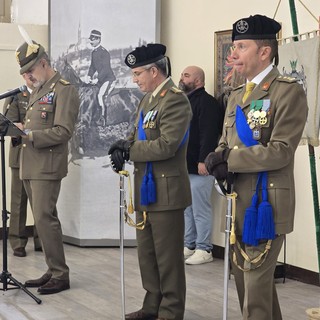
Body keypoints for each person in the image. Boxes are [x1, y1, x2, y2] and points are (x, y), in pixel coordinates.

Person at [205, 15, 308, 320]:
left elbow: (281, 151)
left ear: (264, 52)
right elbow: (228, 139)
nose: (233, 54)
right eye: (234, 46)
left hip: (265, 204)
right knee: (247, 286)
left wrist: (230, 160)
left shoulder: (286, 90)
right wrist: (217, 156)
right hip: (238, 202)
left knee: (254, 287)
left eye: (241, 46)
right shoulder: (238, 94)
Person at [108, 44, 192, 320]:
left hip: (166, 190)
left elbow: (167, 145)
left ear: (154, 71)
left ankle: (170, 310)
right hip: (146, 187)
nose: (134, 80)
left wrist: (131, 151)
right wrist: (124, 145)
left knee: (168, 258)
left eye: (137, 74)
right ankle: (152, 305)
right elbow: (139, 135)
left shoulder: (175, 100)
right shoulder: (148, 100)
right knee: (148, 255)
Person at [14, 40, 79, 294]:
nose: (27, 76)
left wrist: (27, 133)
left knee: (44, 218)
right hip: (30, 163)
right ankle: (53, 269)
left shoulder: (64, 90)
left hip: (47, 165)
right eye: (24, 72)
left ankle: (61, 274)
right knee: (42, 219)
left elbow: (63, 131)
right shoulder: (39, 89)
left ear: (44, 63)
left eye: (30, 70)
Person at [178, 66, 223, 265]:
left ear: (198, 81)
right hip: (185, 166)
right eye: (182, 74)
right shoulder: (184, 101)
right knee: (187, 207)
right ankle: (190, 244)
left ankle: (204, 248)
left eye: (186, 76)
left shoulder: (207, 103)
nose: (182, 78)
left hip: (200, 166)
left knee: (200, 208)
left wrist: (204, 160)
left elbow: (209, 134)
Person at [3, 73, 42, 257]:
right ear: (23, 75)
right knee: (18, 200)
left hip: (40, 154)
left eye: (33, 72)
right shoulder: (15, 96)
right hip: (20, 154)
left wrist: (28, 128)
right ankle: (17, 241)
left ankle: (42, 240)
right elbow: (10, 124)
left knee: (41, 200)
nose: (31, 77)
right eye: (27, 74)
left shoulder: (46, 94)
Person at [87, 29, 116, 126]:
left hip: (108, 79)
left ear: (99, 40)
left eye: (93, 39)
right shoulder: (93, 52)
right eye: (91, 39)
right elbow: (92, 67)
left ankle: (102, 118)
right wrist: (89, 75)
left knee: (100, 95)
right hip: (101, 80)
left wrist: (97, 79)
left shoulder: (105, 53)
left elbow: (106, 69)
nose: (91, 41)